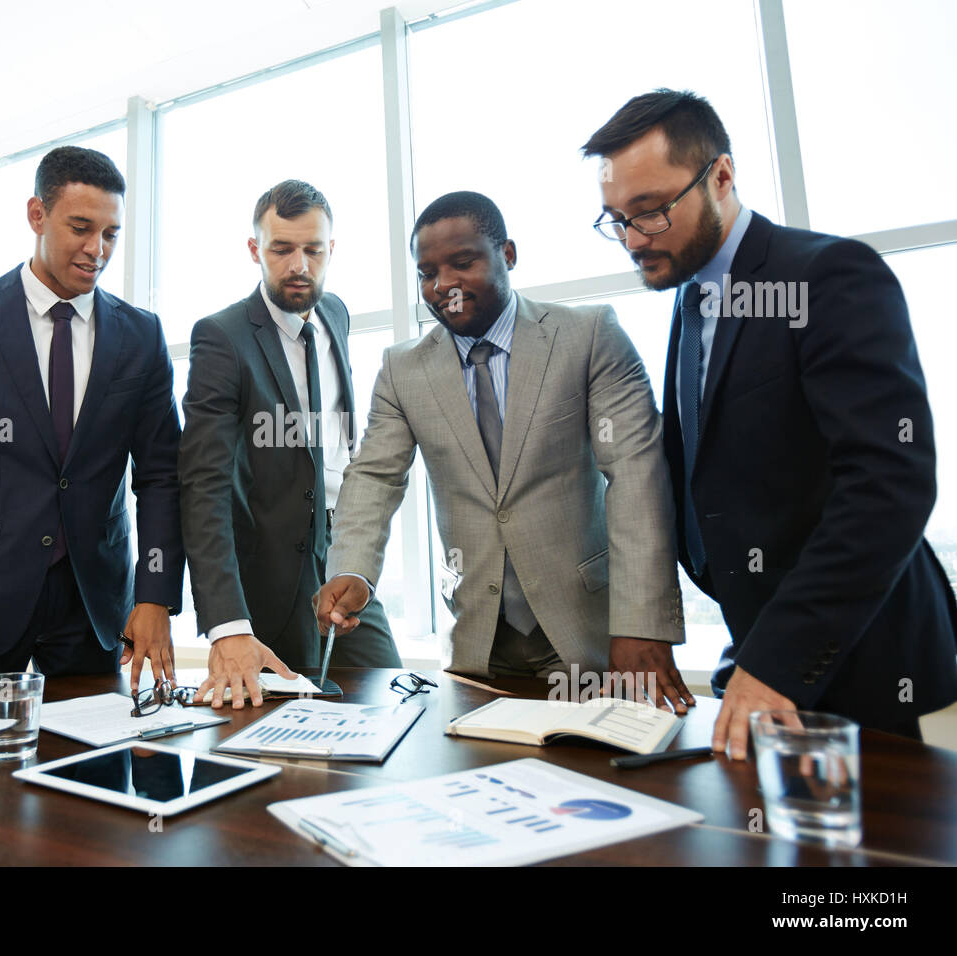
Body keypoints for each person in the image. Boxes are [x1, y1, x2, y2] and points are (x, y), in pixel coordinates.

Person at [581, 88, 957, 754]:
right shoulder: (691, 301)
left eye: (652, 212)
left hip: (871, 670)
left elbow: (888, 486)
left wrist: (777, 661)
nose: (634, 240)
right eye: (615, 219)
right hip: (760, 658)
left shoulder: (827, 276)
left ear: (721, 176)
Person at [315, 191, 691, 710]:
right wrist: (353, 568)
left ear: (507, 255)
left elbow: (635, 475)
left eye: (462, 262)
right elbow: (375, 478)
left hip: (591, 638)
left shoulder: (588, 336)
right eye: (427, 272)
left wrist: (642, 624)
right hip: (478, 646)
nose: (443, 284)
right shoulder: (402, 370)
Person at [0, 146, 183, 713]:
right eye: (81, 227)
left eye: (111, 234)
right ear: (36, 214)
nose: (97, 250)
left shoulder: (141, 337)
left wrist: (155, 598)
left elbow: (162, 478)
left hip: (95, 606)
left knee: (96, 782)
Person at [181, 180, 401, 710]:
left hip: (343, 552)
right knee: (287, 731)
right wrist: (227, 624)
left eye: (313, 249)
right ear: (256, 250)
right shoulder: (222, 337)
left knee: (394, 697)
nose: (298, 264)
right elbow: (203, 486)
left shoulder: (337, 316)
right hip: (271, 574)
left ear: (331, 250)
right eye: (281, 249)